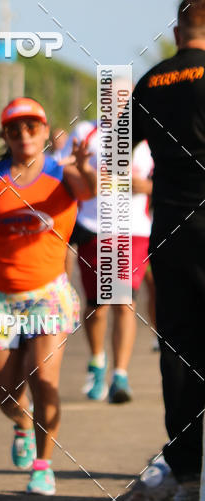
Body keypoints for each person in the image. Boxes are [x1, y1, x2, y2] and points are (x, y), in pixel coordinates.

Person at [0, 98, 96, 496]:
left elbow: (90, 190)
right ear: (6, 135)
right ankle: (21, 423)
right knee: (5, 390)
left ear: (45, 132)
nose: (25, 135)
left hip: (47, 295)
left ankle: (44, 466)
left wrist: (82, 165)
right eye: (15, 129)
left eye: (32, 127)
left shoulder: (62, 174)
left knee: (44, 379)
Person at [132, 0, 205, 485]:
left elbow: (114, 158)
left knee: (178, 345)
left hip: (172, 230)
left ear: (178, 32)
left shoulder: (151, 81)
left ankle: (186, 468)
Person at [60, 120, 153, 402]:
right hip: (94, 227)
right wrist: (89, 175)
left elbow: (165, 180)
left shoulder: (149, 136)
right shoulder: (85, 132)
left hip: (134, 230)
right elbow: (61, 167)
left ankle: (120, 375)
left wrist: (144, 186)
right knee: (97, 307)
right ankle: (97, 361)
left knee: (125, 301)